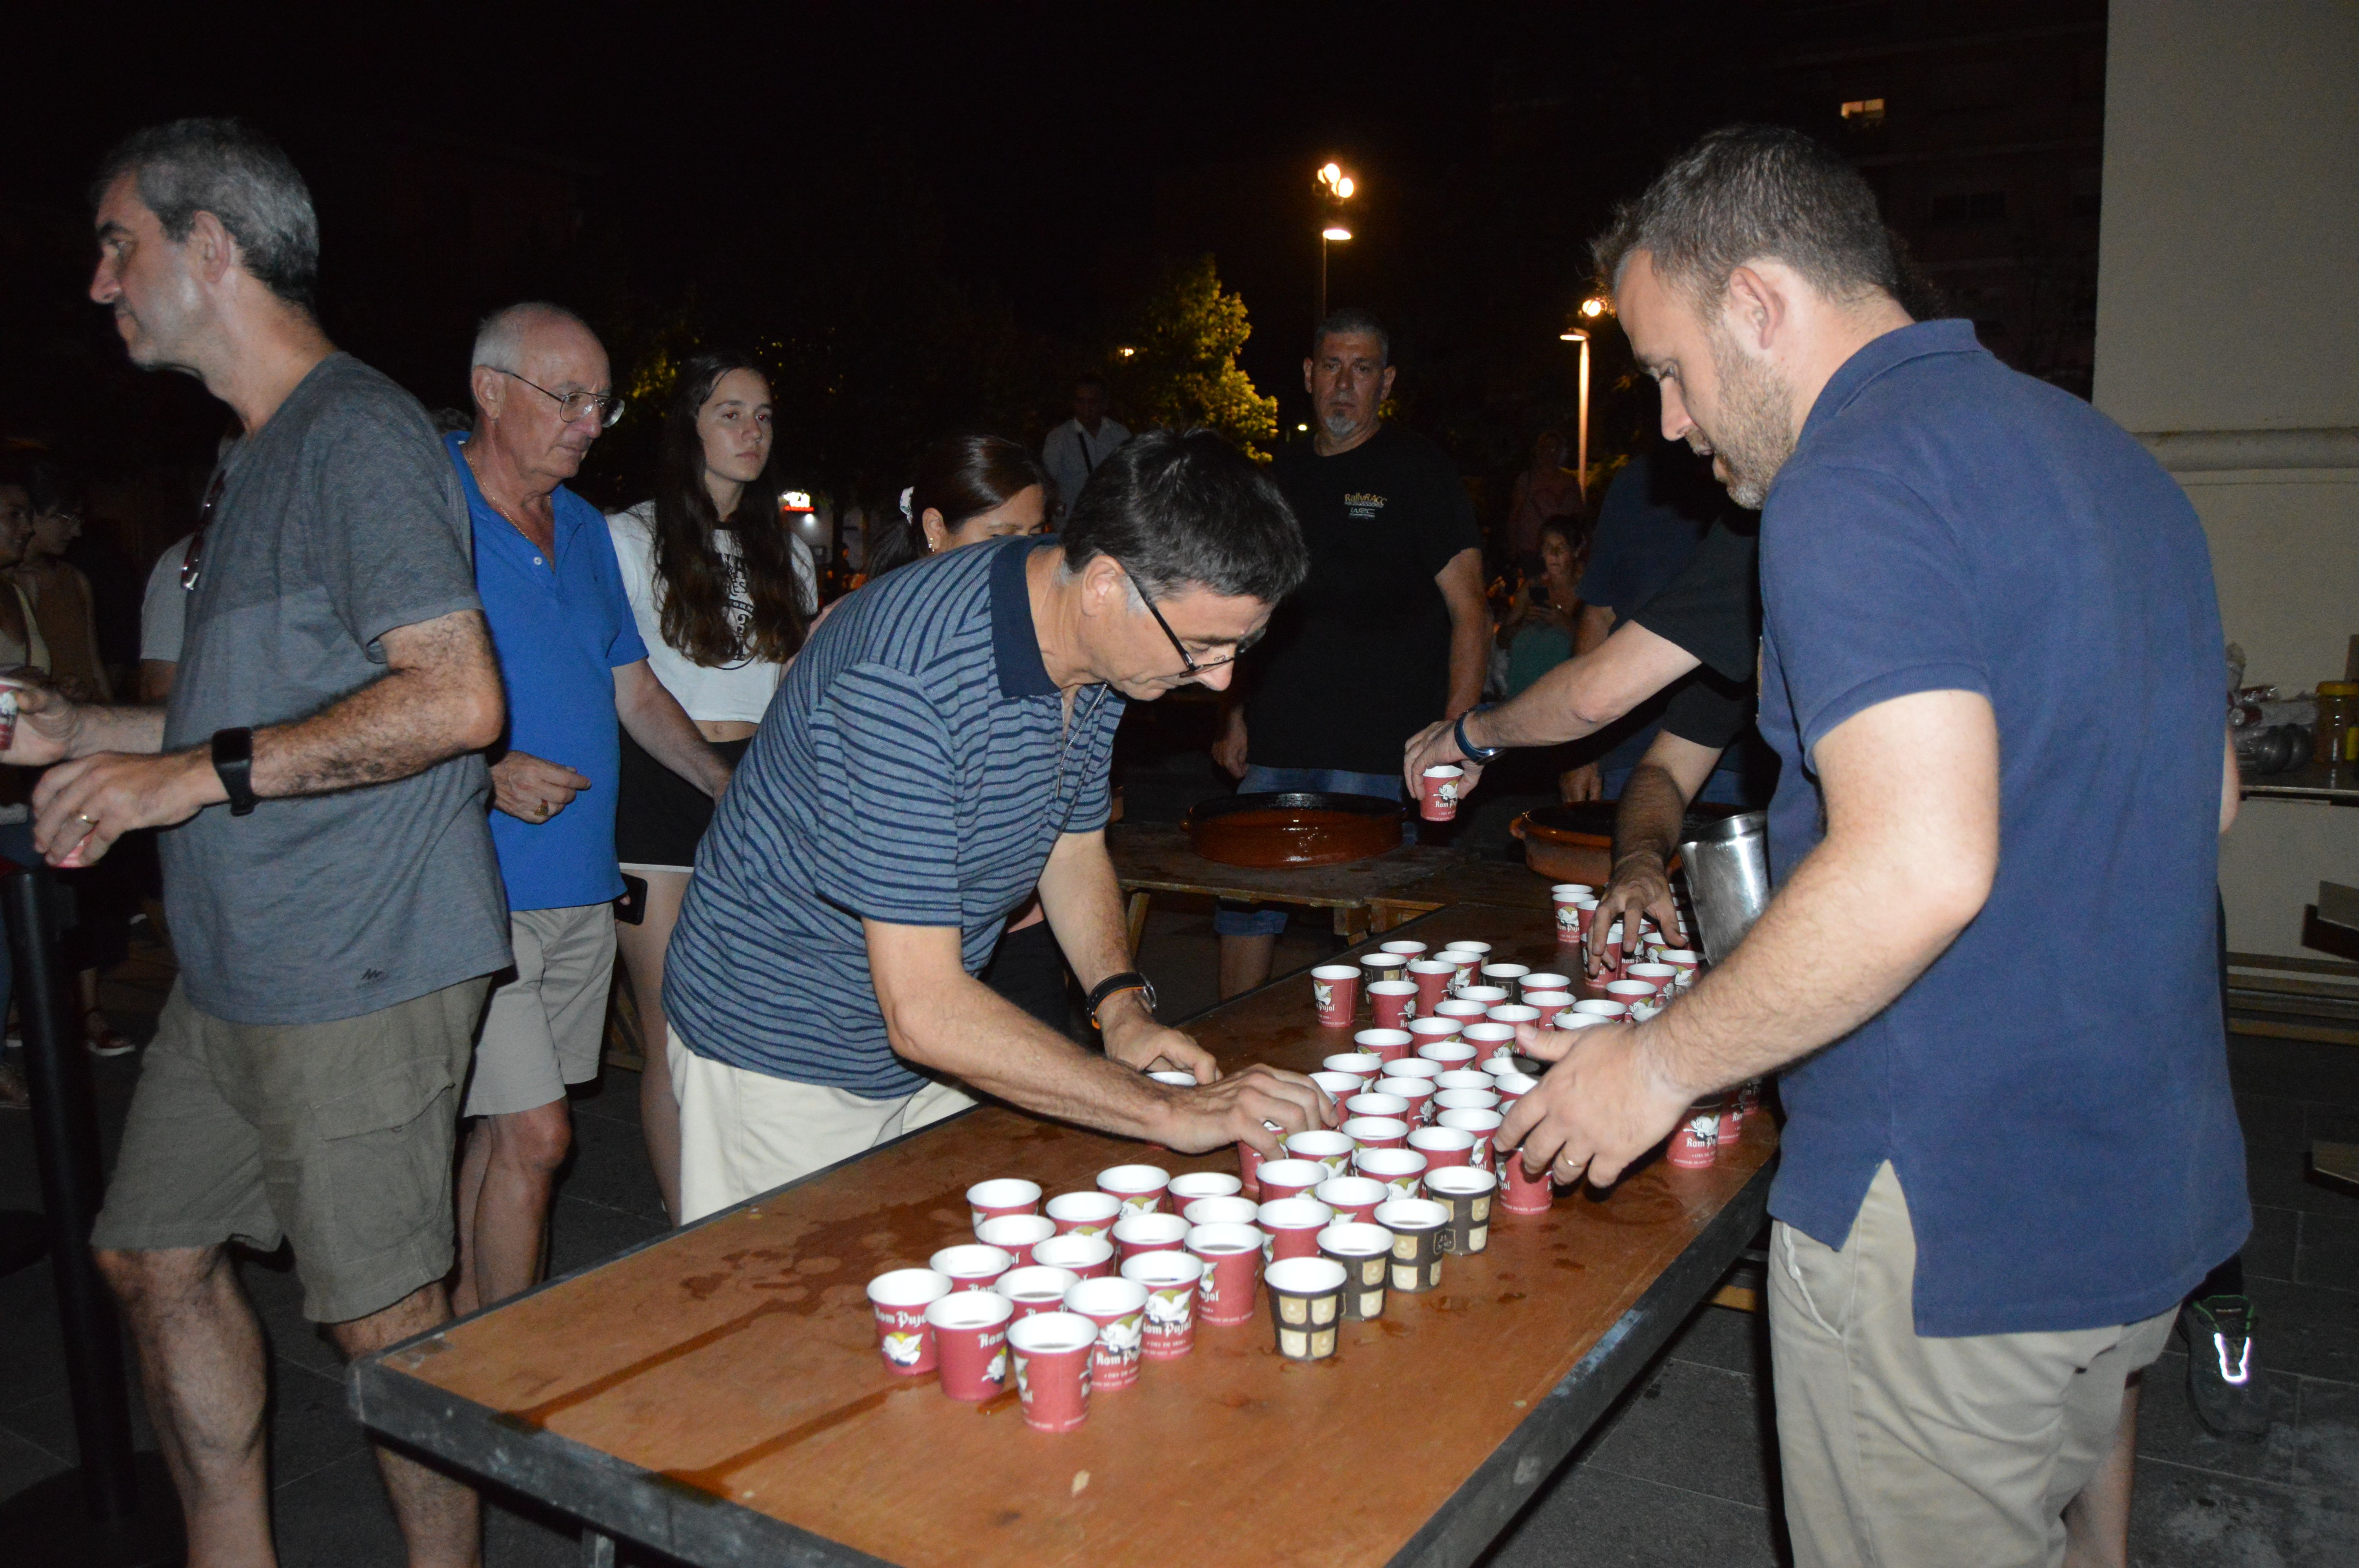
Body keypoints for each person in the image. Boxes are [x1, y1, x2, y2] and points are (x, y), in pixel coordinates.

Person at [1497, 125, 2247, 1568]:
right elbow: (2199, 794)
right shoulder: (2105, 457)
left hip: (1948, 1222)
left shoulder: (1851, 480)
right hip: (2142, 1190)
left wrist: (1650, 1065)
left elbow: (1915, 864)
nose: (1662, 422)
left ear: (1760, 306)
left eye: (1666, 366)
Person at [13, 119, 510, 1566]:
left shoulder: (354, 432)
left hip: (357, 959)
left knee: (381, 1323)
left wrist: (181, 781)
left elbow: (455, 698)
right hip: (237, 969)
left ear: (210, 245)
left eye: (121, 243)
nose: (101, 283)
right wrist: (76, 726)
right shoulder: (252, 457)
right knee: (147, 1255)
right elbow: (243, 717)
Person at [661, 429, 1332, 1221]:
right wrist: (1170, 1109)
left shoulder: (1097, 640)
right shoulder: (904, 676)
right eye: (1204, 644)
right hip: (784, 1044)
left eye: (1237, 646)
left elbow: (1073, 842)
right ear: (1106, 584)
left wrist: (1118, 1004)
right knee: (792, 1320)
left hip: (933, 1035)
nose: (1219, 676)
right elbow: (924, 1011)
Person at [449, 304, 731, 1309]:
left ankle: (461, 1335)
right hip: (474, 880)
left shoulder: (577, 525)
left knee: (509, 1129)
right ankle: (504, 1368)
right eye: (568, 398)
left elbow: (634, 689)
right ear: (491, 391)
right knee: (539, 1133)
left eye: (601, 404)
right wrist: (479, 770)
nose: (589, 422)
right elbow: (354, 684)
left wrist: (720, 783)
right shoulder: (423, 504)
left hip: (580, 878)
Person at [1211, 308, 1488, 996]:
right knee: (1244, 910)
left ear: (1385, 383)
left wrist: (1456, 734)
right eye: (1332, 365)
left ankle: (1380, 1076)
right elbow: (1246, 606)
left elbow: (1471, 611)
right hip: (1279, 743)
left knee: (1383, 936)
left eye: (1362, 369)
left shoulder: (1419, 470)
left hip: (1384, 754)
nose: (1345, 383)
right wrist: (1232, 714)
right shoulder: (1275, 477)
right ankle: (1226, 1055)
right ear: (1308, 375)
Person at [606, 350, 808, 1223]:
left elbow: (793, 688)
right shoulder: (626, 537)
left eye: (763, 415)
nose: (751, 432)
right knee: (671, 1029)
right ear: (689, 424)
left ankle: (750, 1196)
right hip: (657, 791)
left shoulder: (786, 554)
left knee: (759, 1016)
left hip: (758, 789)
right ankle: (687, 1221)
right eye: (730, 413)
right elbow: (628, 687)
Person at [861, 435, 1072, 1033]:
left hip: (1016, 920)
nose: (1027, 560)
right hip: (906, 940)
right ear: (935, 529)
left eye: (1036, 539)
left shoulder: (1044, 641)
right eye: (1002, 540)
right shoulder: (879, 646)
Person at [16, 462, 138, 1057]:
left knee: (85, 877)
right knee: (39, 888)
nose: (73, 527)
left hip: (76, 739)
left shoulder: (73, 582)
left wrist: (107, 731)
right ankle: (38, 1009)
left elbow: (90, 658)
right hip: (28, 752)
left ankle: (87, 1010)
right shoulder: (17, 588)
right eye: (60, 516)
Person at [1560, 442, 1756, 804]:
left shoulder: (1757, 477)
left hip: (1731, 758)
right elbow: (1599, 614)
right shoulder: (1637, 481)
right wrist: (1580, 753)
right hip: (1629, 746)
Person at [13, 461, 112, 703]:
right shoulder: (9, 586)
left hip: (84, 722)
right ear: (32, 514)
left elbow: (95, 669)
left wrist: (102, 707)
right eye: (67, 518)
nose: (76, 532)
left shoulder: (74, 581)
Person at [1041, 374, 1129, 517]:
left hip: (1111, 519)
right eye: (1081, 402)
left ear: (1104, 404)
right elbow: (1047, 480)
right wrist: (1057, 507)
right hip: (1073, 521)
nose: (1087, 408)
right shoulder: (1059, 438)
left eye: (1093, 402)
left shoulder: (1120, 434)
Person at [1501, 427, 1583, 571]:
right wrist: (1513, 549)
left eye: (1555, 448)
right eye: (1547, 448)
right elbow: (1515, 515)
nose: (1551, 453)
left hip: (1564, 550)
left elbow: (1580, 516)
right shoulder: (1527, 481)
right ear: (1539, 451)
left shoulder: (1570, 482)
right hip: (1533, 551)